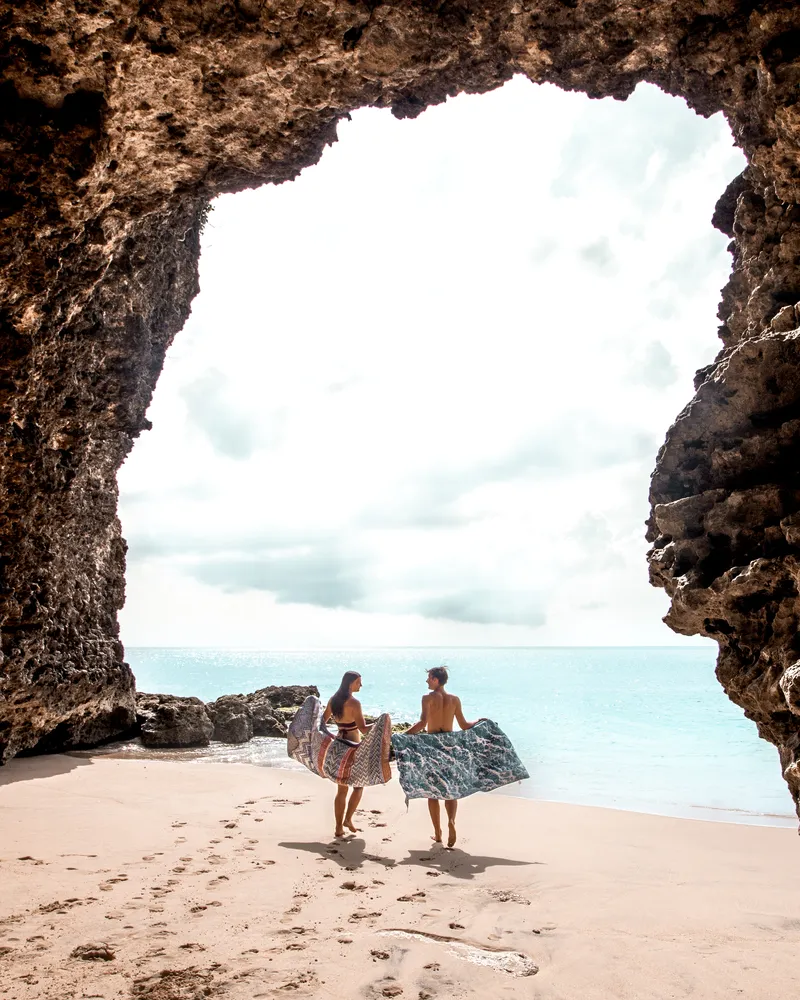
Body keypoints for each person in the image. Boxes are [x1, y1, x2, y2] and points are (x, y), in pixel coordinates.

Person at [404, 665, 482, 848]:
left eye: (429, 678)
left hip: (433, 746)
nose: (426, 681)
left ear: (436, 679)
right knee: (450, 790)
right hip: (450, 747)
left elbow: (423, 723)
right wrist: (478, 722)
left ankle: (438, 833)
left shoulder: (427, 698)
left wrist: (404, 735)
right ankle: (451, 822)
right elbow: (463, 725)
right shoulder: (454, 699)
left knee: (433, 792)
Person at [323, 670, 370, 838]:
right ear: (351, 683)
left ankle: (338, 828)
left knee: (341, 790)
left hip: (338, 747)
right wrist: (380, 724)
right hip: (353, 748)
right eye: (359, 682)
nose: (361, 685)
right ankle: (348, 819)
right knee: (358, 786)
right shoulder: (354, 703)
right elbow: (363, 729)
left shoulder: (333, 700)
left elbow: (322, 723)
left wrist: (329, 739)